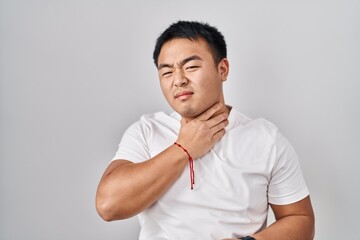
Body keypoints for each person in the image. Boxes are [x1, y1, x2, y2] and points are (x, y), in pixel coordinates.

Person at [96, 20, 315, 240]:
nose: (179, 80)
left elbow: (300, 219)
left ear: (222, 69)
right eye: (167, 72)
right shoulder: (146, 131)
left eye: (191, 67)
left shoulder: (266, 138)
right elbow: (108, 205)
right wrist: (184, 148)